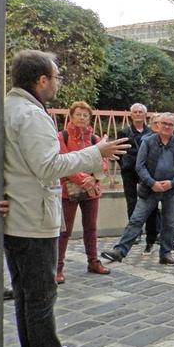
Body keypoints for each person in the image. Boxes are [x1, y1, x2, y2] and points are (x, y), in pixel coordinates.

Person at [3, 50, 128, 347]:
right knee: (40, 296)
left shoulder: (10, 107)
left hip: (20, 216)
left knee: (29, 295)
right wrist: (94, 154)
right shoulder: (30, 114)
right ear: (41, 80)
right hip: (32, 218)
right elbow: (48, 166)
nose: (58, 82)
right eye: (55, 76)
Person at [101, 113, 174, 266]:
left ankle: (165, 253)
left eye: (170, 124)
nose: (167, 127)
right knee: (136, 219)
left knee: (168, 223)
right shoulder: (147, 142)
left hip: (171, 190)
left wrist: (172, 182)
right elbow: (139, 166)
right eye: (164, 123)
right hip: (150, 189)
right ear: (158, 124)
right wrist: (152, 182)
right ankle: (119, 251)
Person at [55, 101, 111, 284]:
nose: (81, 118)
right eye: (78, 114)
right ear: (71, 117)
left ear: (90, 119)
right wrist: (84, 180)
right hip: (68, 191)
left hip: (91, 189)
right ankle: (57, 267)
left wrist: (93, 179)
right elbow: (64, 163)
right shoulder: (61, 137)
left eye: (85, 115)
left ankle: (93, 262)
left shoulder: (95, 139)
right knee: (65, 230)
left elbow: (103, 162)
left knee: (91, 227)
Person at [117, 103, 159, 254]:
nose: (138, 114)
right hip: (129, 171)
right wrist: (124, 164)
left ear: (145, 114)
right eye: (135, 112)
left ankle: (153, 233)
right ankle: (135, 233)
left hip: (146, 171)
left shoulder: (151, 132)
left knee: (150, 202)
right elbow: (118, 151)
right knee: (131, 201)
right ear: (131, 114)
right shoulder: (124, 132)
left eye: (141, 112)